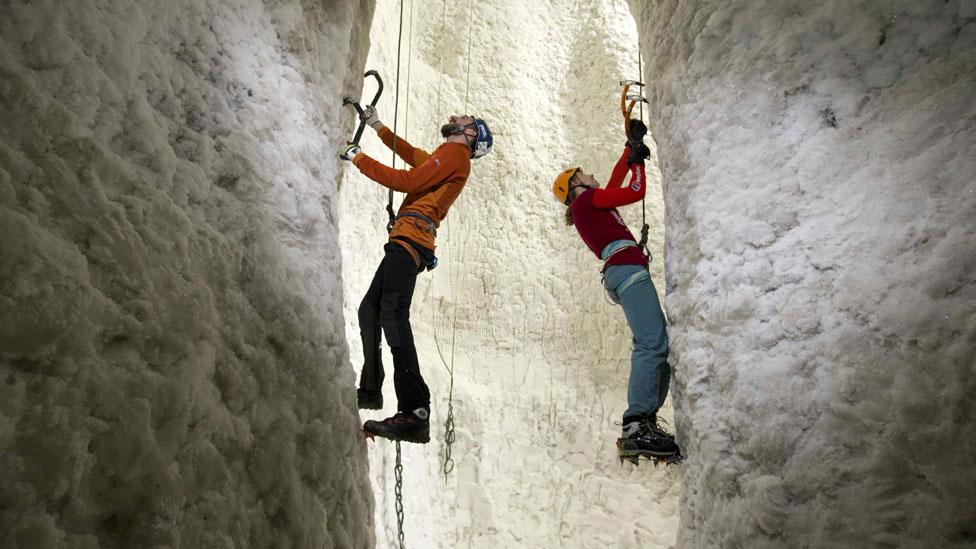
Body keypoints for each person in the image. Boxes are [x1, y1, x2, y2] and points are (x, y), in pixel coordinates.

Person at [340, 106, 492, 443]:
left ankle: (415, 410)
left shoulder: (456, 154)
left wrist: (358, 157)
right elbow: (412, 155)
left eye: (465, 120)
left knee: (392, 315)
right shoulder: (448, 154)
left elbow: (406, 180)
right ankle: (370, 389)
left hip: (411, 240)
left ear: (471, 136)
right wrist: (377, 126)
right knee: (372, 310)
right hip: (408, 240)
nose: (457, 117)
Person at [550, 120, 680, 461]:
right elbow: (634, 191)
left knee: (655, 344)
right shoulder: (588, 201)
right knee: (652, 343)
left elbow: (614, 182)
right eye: (585, 174)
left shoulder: (590, 204)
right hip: (628, 271)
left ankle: (644, 421)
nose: (592, 176)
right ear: (576, 183)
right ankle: (637, 424)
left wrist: (629, 146)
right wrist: (638, 162)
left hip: (622, 271)